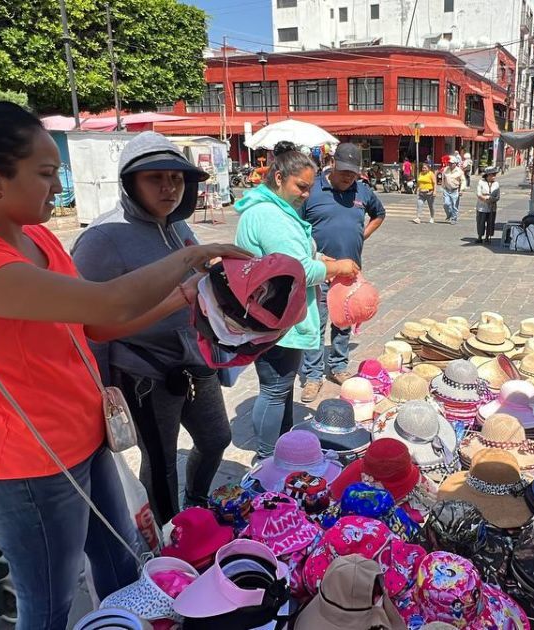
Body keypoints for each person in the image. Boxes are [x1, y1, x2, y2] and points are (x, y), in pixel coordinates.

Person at [0, 97, 249, 629]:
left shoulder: (37, 238)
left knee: (120, 564)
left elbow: (93, 328)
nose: (58, 184)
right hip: (26, 467)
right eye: (46, 173)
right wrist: (191, 255)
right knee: (47, 609)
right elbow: (108, 302)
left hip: (84, 440)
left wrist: (185, 295)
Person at [71, 132, 231, 523]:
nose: (168, 188)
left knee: (216, 439)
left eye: (176, 179)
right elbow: (89, 324)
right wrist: (100, 388)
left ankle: (195, 503)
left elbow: (204, 280)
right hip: (143, 372)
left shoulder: (179, 228)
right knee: (160, 463)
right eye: (155, 178)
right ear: (130, 183)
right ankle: (170, 538)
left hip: (195, 360)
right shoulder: (101, 239)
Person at [234, 141, 359, 459]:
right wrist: (335, 266)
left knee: (282, 387)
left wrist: (320, 255)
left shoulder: (277, 211)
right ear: (278, 178)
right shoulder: (269, 215)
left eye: (309, 187)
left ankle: (283, 448)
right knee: (275, 390)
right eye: (300, 186)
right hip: (274, 317)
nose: (306, 194)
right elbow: (297, 269)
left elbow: (295, 253)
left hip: (277, 314)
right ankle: (265, 457)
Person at [299, 143, 386, 402]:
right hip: (319, 272)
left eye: (353, 172)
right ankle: (313, 375)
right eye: (344, 171)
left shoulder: (363, 190)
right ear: (332, 163)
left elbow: (379, 214)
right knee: (315, 324)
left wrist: (362, 235)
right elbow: (297, 227)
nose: (348, 177)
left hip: (349, 273)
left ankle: (338, 366)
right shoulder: (312, 189)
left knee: (344, 320)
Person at [474, 166, 500, 244]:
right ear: (488, 175)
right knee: (480, 222)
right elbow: (479, 194)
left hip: (492, 207)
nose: (494, 176)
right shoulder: (481, 182)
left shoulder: (496, 184)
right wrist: (486, 199)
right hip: (482, 207)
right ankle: (480, 237)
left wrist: (491, 199)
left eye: (495, 174)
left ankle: (487, 237)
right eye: (492, 175)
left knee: (491, 222)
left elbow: (498, 196)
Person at [441, 156, 465, 225]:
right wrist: (443, 186)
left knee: (454, 205)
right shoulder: (446, 169)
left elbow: (463, 181)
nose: (450, 165)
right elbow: (443, 178)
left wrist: (461, 190)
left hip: (455, 190)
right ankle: (449, 214)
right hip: (446, 189)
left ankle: (454, 218)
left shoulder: (459, 171)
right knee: (446, 204)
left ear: (455, 164)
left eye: (451, 163)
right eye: (449, 163)